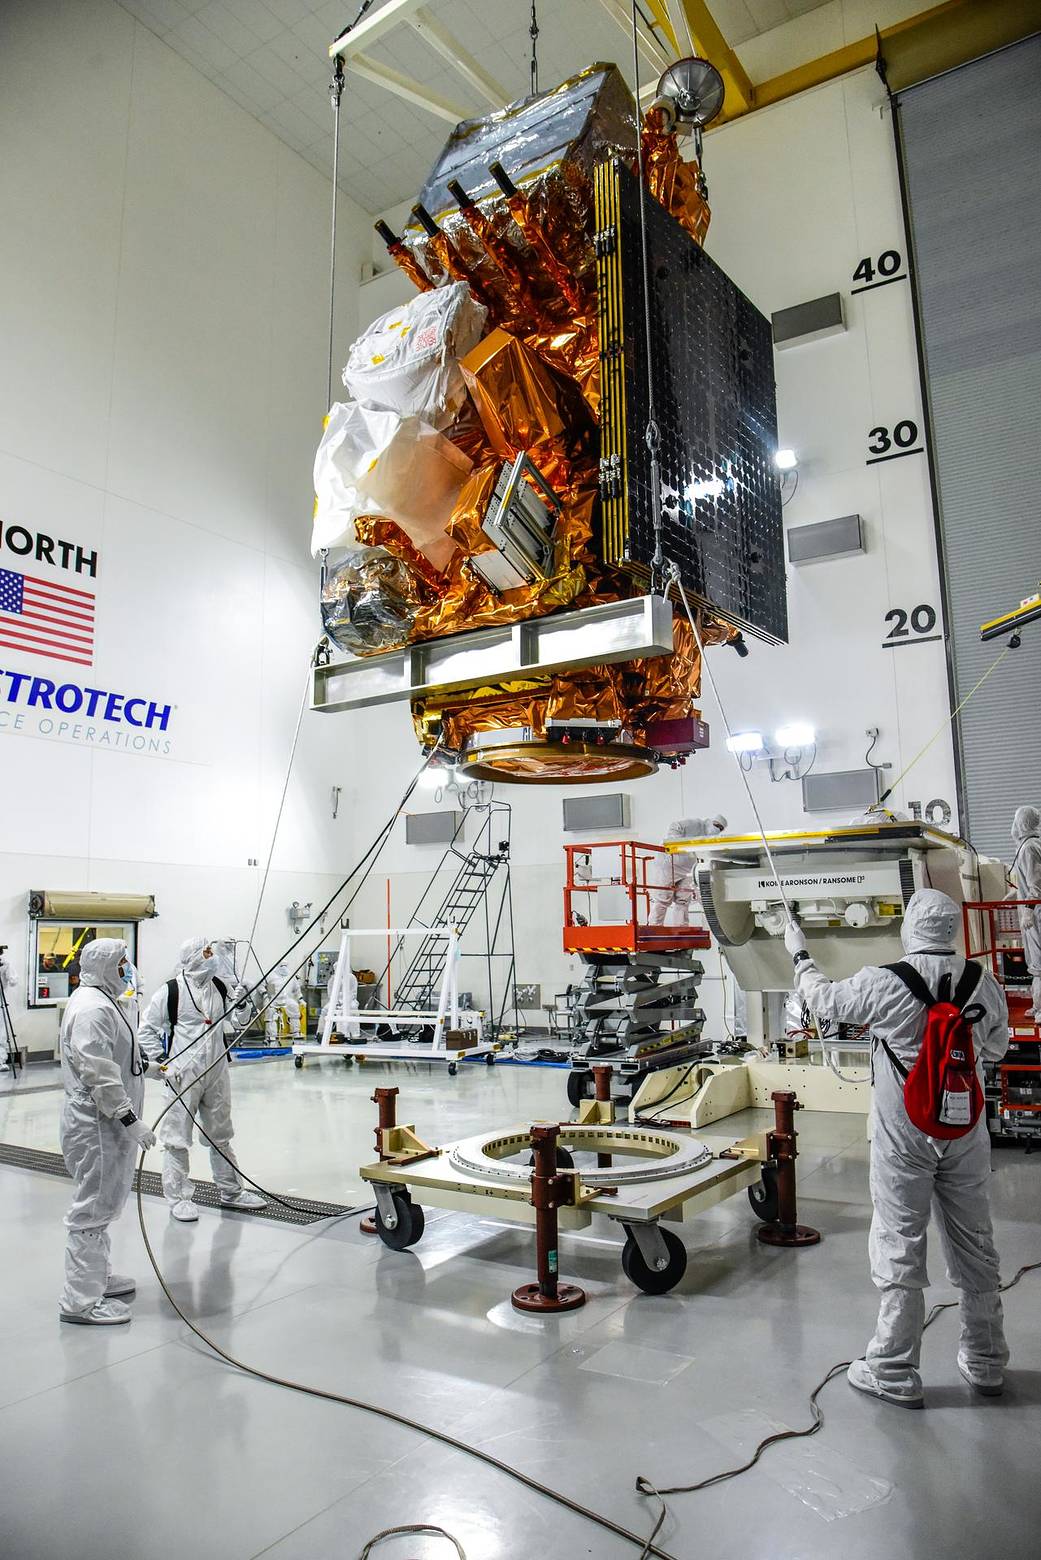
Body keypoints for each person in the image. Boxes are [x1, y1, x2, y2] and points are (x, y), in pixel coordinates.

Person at [784, 888, 1010, 1406]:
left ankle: (893, 1368)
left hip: (903, 1133)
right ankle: (986, 1361)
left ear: (911, 928)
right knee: (975, 1239)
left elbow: (822, 1000)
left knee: (900, 1238)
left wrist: (799, 951)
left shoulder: (884, 981)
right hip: (965, 1130)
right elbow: (996, 1046)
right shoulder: (983, 982)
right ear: (952, 929)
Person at [58, 938, 163, 1325]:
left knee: (103, 1204)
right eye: (121, 963)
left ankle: (95, 1278)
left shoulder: (106, 1002)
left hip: (106, 1125)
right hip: (97, 1126)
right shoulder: (92, 1009)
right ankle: (80, 1301)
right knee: (92, 1209)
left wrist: (150, 1069)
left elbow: (117, 1057)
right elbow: (97, 1072)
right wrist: (129, 1118)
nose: (127, 970)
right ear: (103, 966)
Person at [138, 936, 266, 1222]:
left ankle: (231, 1191)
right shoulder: (170, 991)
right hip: (183, 1074)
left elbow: (239, 1023)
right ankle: (179, 1197)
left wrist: (243, 1005)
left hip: (217, 1069)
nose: (212, 956)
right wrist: (163, 1065)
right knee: (176, 1138)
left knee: (221, 1134)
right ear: (193, 956)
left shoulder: (220, 986)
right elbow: (145, 1030)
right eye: (206, 951)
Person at [646, 815, 727, 926]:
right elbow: (676, 825)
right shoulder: (696, 824)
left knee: (683, 900)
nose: (717, 829)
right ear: (711, 821)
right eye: (716, 825)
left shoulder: (708, 838)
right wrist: (675, 843)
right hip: (669, 863)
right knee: (663, 898)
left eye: (720, 828)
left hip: (687, 869)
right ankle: (654, 928)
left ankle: (681, 929)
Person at [1009, 805, 1041, 1020]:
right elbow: (1027, 882)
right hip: (1032, 911)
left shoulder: (1030, 847)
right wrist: (1013, 894)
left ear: (1021, 822)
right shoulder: (1028, 845)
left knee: (1039, 963)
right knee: (1035, 960)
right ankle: (1038, 1005)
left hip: (1036, 914)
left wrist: (1028, 911)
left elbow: (1036, 883)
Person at [265, 962, 303, 1043]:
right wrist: (267, 994)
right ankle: (272, 1035)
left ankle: (296, 1032)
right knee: (270, 1012)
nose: (284, 968)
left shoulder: (291, 977)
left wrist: (300, 999)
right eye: (282, 966)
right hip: (274, 999)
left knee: (294, 1006)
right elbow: (264, 987)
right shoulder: (271, 976)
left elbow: (297, 989)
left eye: (285, 966)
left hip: (287, 999)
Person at [0, 947, 16, 1071]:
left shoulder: (5, 963)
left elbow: (13, 980)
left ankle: (0, 1060)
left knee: (1, 1032)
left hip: (0, 999)